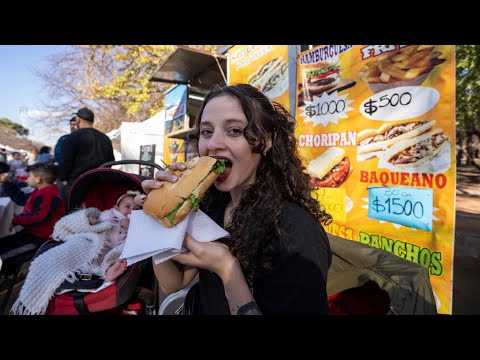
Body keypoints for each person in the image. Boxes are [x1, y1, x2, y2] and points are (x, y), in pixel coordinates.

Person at [136, 83, 333, 315]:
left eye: (234, 131)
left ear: (267, 141)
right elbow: (173, 282)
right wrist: (156, 220)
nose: (213, 144)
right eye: (207, 132)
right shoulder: (213, 208)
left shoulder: (296, 232)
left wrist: (227, 268)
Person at [0, 163, 65, 274]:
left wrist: (17, 220)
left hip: (39, 240)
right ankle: (8, 275)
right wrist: (6, 184)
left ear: (38, 179)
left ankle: (8, 277)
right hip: (29, 235)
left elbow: (40, 217)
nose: (27, 179)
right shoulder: (40, 191)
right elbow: (22, 200)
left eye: (29, 176)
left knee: (4, 254)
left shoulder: (48, 194)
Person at [57, 108, 114, 210]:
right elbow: (110, 161)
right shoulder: (105, 138)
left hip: (76, 182)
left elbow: (65, 161)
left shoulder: (72, 137)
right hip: (100, 182)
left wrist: (63, 178)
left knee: (71, 211)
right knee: (98, 210)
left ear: (78, 120)